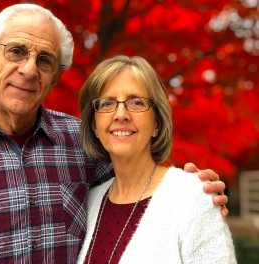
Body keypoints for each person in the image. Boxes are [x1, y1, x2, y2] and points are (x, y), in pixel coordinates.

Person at [0, 4, 228, 264]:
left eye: (44, 60)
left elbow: (139, 181)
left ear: (55, 77)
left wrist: (195, 188)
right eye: (16, 51)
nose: (28, 69)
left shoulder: (82, 142)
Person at [76, 56, 236, 264]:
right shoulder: (90, 201)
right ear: (95, 127)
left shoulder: (192, 196)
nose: (121, 114)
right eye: (107, 103)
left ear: (157, 124)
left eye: (136, 102)